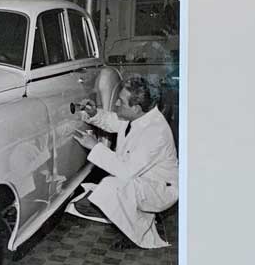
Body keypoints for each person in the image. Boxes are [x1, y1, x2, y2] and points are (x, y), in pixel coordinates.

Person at [69, 75, 178, 249]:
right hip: (142, 180)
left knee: (110, 187)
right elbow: (114, 121)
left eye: (121, 101)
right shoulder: (140, 117)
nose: (116, 103)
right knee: (103, 194)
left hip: (160, 190)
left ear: (136, 108)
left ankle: (137, 232)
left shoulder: (155, 132)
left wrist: (95, 146)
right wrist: (94, 113)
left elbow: (125, 171)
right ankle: (136, 216)